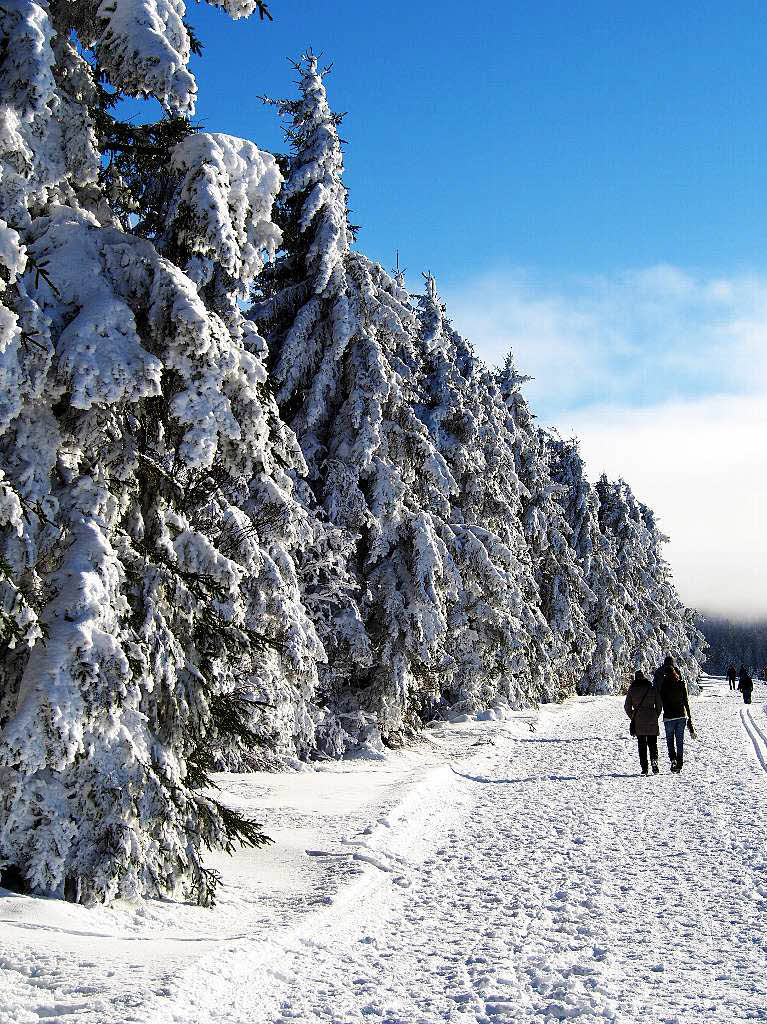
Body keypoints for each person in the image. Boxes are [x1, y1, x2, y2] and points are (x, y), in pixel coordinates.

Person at [654, 655, 695, 773]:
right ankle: (680, 764)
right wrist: (689, 718)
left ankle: (673, 760)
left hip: (668, 716)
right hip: (681, 715)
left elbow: (659, 697)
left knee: (670, 741)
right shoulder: (681, 683)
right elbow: (686, 701)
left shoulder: (663, 686)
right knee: (680, 741)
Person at [624, 670, 663, 775]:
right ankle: (654, 762)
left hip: (639, 720)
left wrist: (633, 716)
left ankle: (644, 768)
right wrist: (655, 715)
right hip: (652, 719)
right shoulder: (651, 688)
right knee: (653, 744)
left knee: (641, 745)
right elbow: (659, 704)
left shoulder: (632, 690)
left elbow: (627, 706)